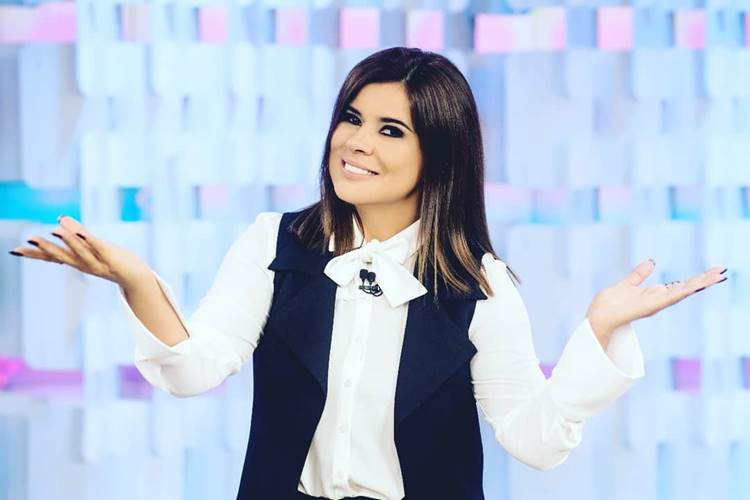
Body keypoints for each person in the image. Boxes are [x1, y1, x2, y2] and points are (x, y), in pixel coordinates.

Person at [9, 47, 727, 500]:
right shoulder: (273, 243)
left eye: (390, 130)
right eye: (351, 119)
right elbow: (195, 369)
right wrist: (137, 282)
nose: (355, 143)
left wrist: (599, 331)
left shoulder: (478, 285)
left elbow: (534, 441)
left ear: (439, 155)